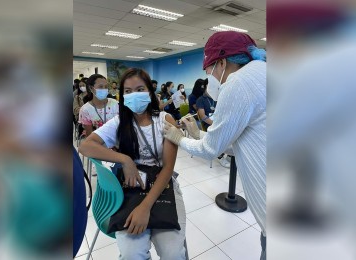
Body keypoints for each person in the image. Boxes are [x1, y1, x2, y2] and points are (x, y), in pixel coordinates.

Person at [163, 31, 266, 260]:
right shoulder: (263, 73)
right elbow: (238, 143)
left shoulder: (238, 82)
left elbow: (212, 150)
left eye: (209, 70)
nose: (209, 76)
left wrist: (179, 138)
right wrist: (199, 134)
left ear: (222, 62)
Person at [78, 68, 187, 260]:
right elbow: (85, 147)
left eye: (139, 89)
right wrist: (124, 159)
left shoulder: (164, 120)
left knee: (173, 254)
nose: (133, 95)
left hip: (163, 185)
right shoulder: (119, 122)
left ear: (150, 92)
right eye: (127, 91)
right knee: (131, 254)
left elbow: (168, 168)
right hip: (131, 187)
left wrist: (145, 207)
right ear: (122, 95)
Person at [196, 79, 231, 168]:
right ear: (205, 87)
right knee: (222, 133)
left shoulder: (216, 98)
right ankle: (220, 156)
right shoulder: (201, 99)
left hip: (217, 121)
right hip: (208, 123)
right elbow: (203, 116)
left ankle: (230, 155)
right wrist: (214, 124)